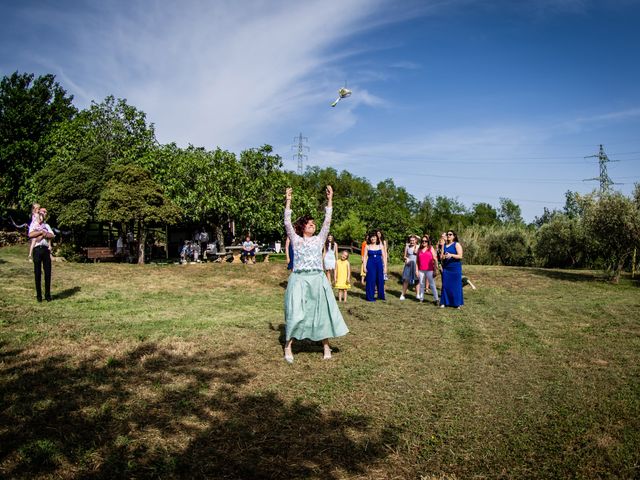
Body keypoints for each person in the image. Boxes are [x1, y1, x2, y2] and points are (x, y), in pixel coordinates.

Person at [283, 186, 348, 363]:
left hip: (317, 279)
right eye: (309, 223)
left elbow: (327, 220)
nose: (313, 225)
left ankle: (326, 346)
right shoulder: (296, 240)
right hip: (299, 279)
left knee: (321, 313)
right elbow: (287, 223)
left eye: (313, 223)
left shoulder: (320, 239)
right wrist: (288, 200)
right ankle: (288, 346)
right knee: (296, 312)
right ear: (303, 227)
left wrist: (330, 199)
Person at [28, 209, 55, 302]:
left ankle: (48, 295)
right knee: (37, 273)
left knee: (47, 273)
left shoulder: (47, 226)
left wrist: (44, 234)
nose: (40, 219)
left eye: (42, 218)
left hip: (45, 250)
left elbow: (52, 235)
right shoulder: (33, 225)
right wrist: (41, 232)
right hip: (37, 250)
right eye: (39, 218)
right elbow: (30, 235)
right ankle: (39, 296)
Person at [440, 230, 464, 309]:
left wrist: (451, 255)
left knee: (456, 286)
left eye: (450, 234)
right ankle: (444, 302)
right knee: (445, 285)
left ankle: (457, 304)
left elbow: (460, 256)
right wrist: (444, 256)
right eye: (447, 234)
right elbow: (441, 257)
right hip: (446, 268)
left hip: (455, 268)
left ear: (454, 236)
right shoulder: (444, 245)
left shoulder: (456, 244)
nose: (448, 235)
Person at [363, 232, 387, 302]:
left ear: (377, 237)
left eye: (374, 237)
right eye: (371, 237)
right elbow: (364, 257)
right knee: (371, 280)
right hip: (370, 265)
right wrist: (364, 267)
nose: (373, 238)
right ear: (370, 238)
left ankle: (381, 296)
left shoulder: (380, 246)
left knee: (380, 280)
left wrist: (385, 267)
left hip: (379, 264)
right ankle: (370, 297)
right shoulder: (367, 246)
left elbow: (384, 257)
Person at [417, 235, 439, 304]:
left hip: (430, 269)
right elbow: (417, 261)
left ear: (428, 242)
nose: (424, 242)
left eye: (425, 241)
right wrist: (416, 270)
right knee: (421, 284)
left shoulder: (431, 248)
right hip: (421, 270)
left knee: (432, 284)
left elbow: (435, 259)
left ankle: (436, 299)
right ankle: (421, 298)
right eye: (422, 241)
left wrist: (435, 269)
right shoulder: (419, 249)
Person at [400, 235, 420, 300]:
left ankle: (417, 295)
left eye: (413, 240)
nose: (412, 242)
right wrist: (406, 258)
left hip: (416, 264)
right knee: (406, 279)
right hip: (408, 264)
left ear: (416, 241)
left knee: (417, 279)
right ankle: (403, 294)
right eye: (411, 240)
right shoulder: (407, 246)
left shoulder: (418, 246)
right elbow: (404, 256)